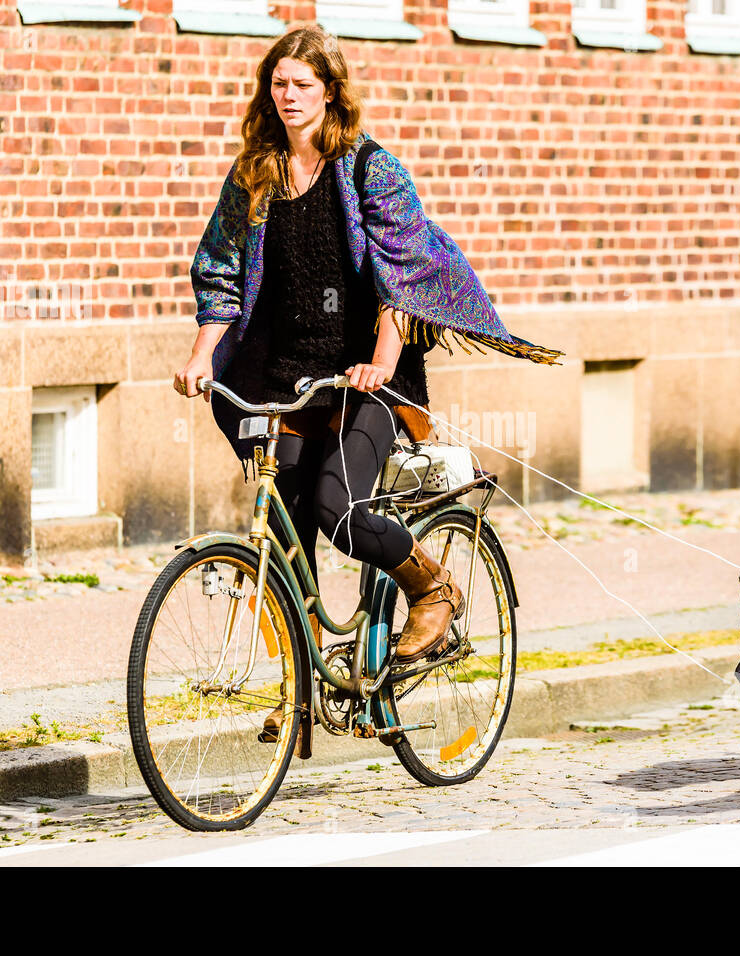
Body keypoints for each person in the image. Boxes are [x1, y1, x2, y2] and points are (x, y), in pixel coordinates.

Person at [173, 26, 563, 745]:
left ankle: (432, 588)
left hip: (367, 376)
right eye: (278, 83)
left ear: (329, 89)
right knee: (284, 526)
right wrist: (203, 355)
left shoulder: (369, 170)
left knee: (337, 505)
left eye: (301, 83)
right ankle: (301, 686)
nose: (287, 96)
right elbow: (219, 270)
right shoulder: (254, 176)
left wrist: (383, 359)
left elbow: (401, 272)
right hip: (286, 373)